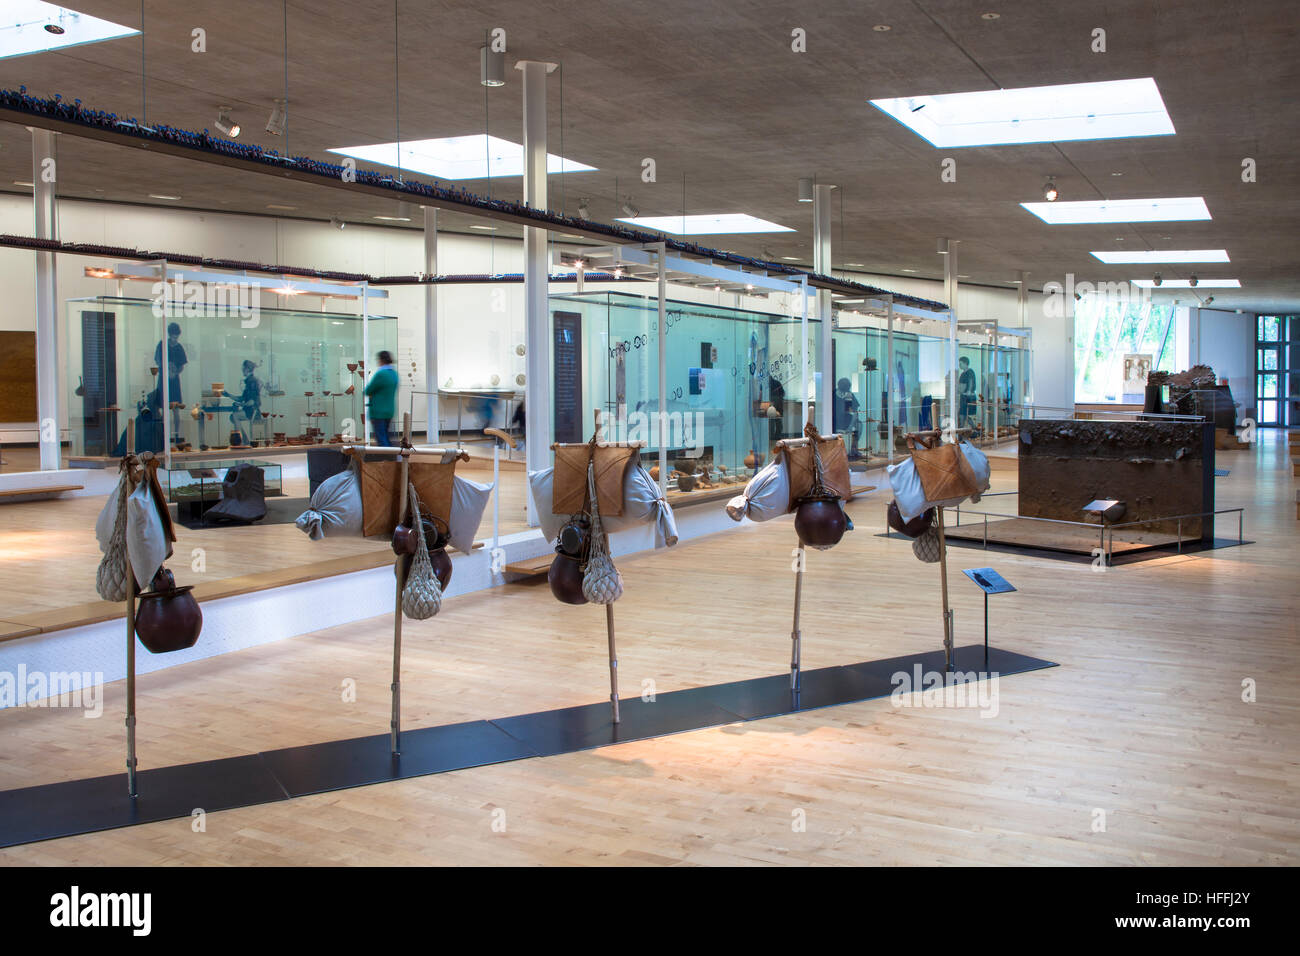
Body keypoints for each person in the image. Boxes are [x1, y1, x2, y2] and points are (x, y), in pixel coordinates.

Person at [154, 322, 187, 445]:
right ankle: (163, 434)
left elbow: (182, 365)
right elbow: (158, 360)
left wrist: (175, 371)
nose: (175, 338)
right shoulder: (162, 345)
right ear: (169, 334)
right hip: (164, 379)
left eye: (176, 336)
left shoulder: (179, 347)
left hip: (174, 381)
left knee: (176, 409)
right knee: (163, 407)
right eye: (173, 336)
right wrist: (166, 368)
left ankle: (176, 435)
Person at [364, 350, 399, 446]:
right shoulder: (394, 374)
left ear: (381, 360)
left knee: (382, 440)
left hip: (378, 412)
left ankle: (386, 459)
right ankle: (392, 458)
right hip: (389, 411)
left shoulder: (381, 374)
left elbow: (368, 391)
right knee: (387, 438)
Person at [231, 360, 263, 445]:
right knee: (232, 417)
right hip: (249, 409)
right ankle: (244, 439)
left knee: (234, 416)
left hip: (253, 411)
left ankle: (240, 440)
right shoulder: (249, 381)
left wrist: (241, 404)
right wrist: (228, 395)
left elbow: (252, 401)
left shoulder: (252, 381)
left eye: (243, 368)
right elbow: (242, 398)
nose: (242, 369)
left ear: (247, 369)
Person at [833, 377, 863, 458]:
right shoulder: (833, 394)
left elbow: (852, 411)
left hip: (845, 420)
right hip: (834, 420)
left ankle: (854, 448)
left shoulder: (848, 395)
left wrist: (850, 426)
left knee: (859, 425)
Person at [958, 356, 978, 429]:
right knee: (962, 415)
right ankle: (961, 432)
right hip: (963, 397)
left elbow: (971, 382)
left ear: (965, 363)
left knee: (969, 416)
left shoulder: (970, 372)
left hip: (969, 397)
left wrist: (969, 391)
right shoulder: (962, 374)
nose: (959, 365)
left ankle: (975, 429)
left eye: (961, 363)